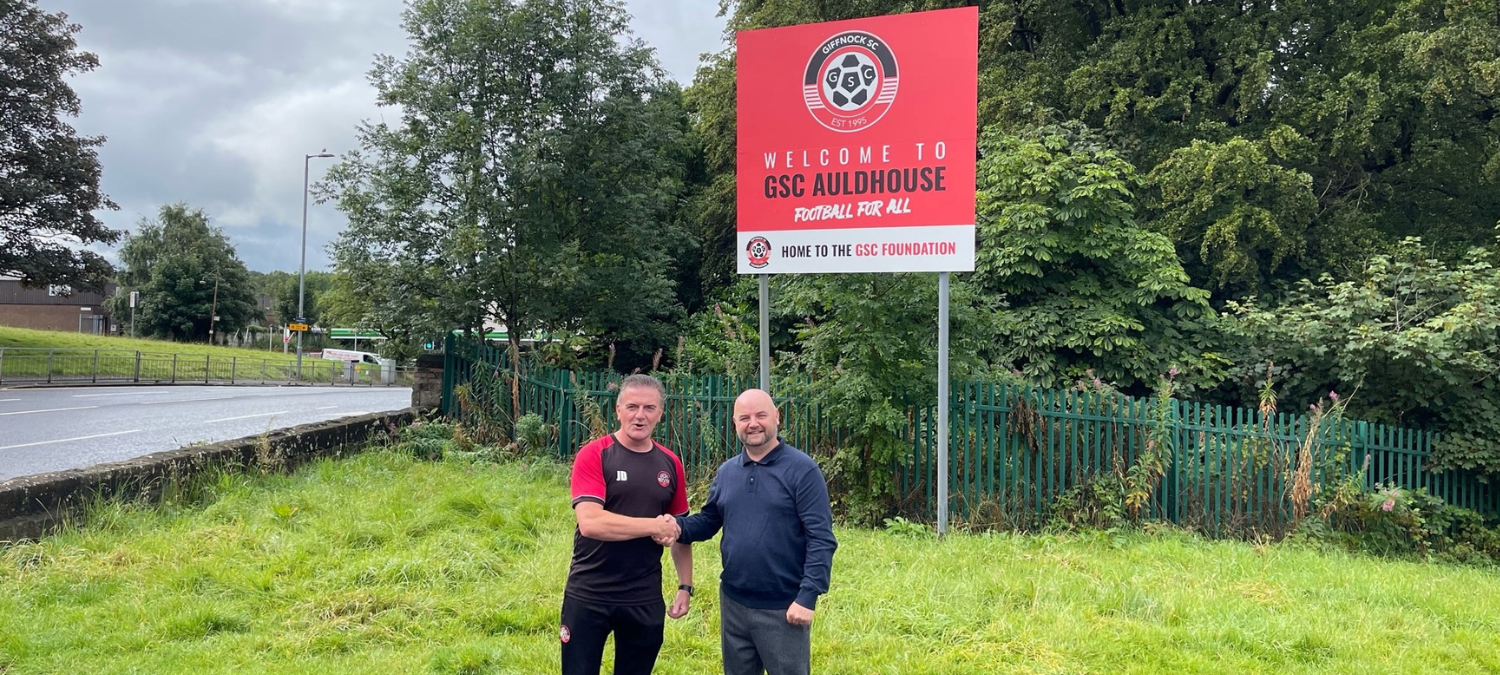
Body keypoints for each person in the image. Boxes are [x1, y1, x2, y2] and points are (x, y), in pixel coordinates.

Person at [669, 388, 838, 675]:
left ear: (776, 417)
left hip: (783, 607)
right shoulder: (727, 472)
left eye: (761, 415)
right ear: (735, 423)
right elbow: (710, 520)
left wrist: (808, 596)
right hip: (733, 601)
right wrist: (674, 527)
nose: (753, 423)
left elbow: (821, 538)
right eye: (744, 418)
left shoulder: (802, 471)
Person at [562, 374, 693, 675]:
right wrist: (652, 526)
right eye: (632, 406)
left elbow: (680, 531)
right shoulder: (594, 454)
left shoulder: (671, 464)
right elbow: (591, 523)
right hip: (589, 593)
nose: (640, 415)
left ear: (661, 413)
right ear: (618, 410)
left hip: (643, 595)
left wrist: (685, 586)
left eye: (649, 408)